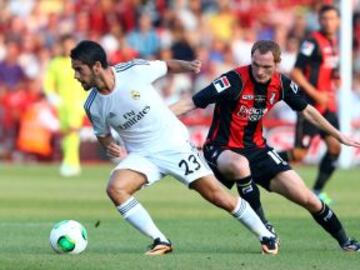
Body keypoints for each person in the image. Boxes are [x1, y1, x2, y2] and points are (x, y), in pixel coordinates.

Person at [70, 40, 278, 256]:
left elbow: (166, 66)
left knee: (218, 196)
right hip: (142, 155)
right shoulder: (92, 105)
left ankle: (266, 235)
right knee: (116, 188)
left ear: (96, 66)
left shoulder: (133, 71)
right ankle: (160, 241)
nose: (76, 76)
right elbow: (102, 134)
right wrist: (109, 146)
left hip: (172, 143)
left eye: (79, 69)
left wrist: (188, 65)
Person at [170, 40, 360, 252]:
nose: (260, 71)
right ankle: (265, 229)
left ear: (277, 64)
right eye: (256, 64)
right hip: (221, 149)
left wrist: (338, 135)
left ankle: (346, 242)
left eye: (266, 67)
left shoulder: (281, 84)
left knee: (308, 198)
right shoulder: (233, 80)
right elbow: (191, 103)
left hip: (258, 150)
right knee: (240, 165)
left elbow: (307, 111)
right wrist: (157, 116)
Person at [278, 5, 341, 205]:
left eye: (332, 18)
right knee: (298, 155)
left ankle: (317, 190)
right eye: (324, 19)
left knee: (335, 147)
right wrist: (316, 94)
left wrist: (336, 78)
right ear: (319, 21)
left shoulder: (333, 42)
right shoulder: (311, 41)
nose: (328, 22)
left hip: (329, 106)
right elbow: (296, 72)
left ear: (338, 21)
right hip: (310, 107)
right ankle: (257, 160)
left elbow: (329, 68)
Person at [43, 34, 87, 177]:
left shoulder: (81, 62)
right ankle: (71, 162)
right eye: (66, 45)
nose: (68, 47)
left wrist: (87, 98)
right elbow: (48, 81)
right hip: (62, 103)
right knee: (66, 133)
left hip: (78, 102)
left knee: (73, 131)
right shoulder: (56, 63)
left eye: (71, 44)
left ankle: (71, 163)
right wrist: (51, 96)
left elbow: (89, 80)